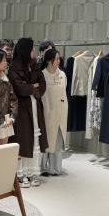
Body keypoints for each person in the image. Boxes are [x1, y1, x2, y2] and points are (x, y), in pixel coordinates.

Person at [9, 37, 49, 188]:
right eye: (32, 48)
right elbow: (19, 88)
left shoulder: (35, 65)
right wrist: (33, 87)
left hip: (35, 106)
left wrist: (31, 88)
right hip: (22, 109)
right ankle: (20, 174)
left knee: (34, 141)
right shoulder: (14, 67)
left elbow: (43, 85)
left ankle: (31, 172)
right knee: (22, 140)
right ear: (25, 50)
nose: (34, 51)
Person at [40, 48, 68, 176]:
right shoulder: (42, 75)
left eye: (58, 58)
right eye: (56, 59)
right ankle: (42, 168)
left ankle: (55, 168)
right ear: (48, 60)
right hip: (46, 112)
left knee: (57, 141)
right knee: (45, 141)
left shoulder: (62, 75)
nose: (58, 61)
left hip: (60, 111)